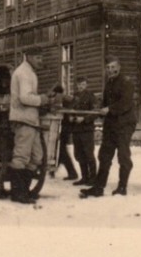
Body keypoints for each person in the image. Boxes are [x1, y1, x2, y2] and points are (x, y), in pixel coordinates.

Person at [80, 56, 136, 198]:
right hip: (111, 124)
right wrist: (100, 110)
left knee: (123, 156)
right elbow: (105, 105)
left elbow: (126, 103)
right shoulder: (109, 83)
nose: (110, 70)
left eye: (113, 67)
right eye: (108, 68)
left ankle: (122, 187)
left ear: (119, 67)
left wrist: (109, 109)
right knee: (104, 156)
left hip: (124, 124)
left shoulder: (126, 82)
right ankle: (98, 188)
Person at [8, 48, 50, 204]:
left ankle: (24, 191)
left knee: (36, 157)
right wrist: (42, 99)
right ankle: (18, 194)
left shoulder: (30, 72)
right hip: (23, 120)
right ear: (29, 57)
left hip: (31, 121)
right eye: (38, 57)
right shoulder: (24, 73)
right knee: (21, 156)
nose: (41, 61)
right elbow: (25, 97)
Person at [69, 76, 97, 185]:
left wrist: (84, 119)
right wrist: (71, 117)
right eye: (79, 84)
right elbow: (71, 109)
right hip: (76, 129)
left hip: (87, 130)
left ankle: (93, 179)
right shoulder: (75, 97)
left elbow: (95, 112)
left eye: (83, 84)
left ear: (86, 85)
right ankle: (84, 178)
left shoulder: (91, 96)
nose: (80, 86)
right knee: (79, 155)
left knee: (89, 154)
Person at [51, 84, 78, 180]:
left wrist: (68, 112)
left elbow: (74, 102)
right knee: (59, 149)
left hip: (65, 127)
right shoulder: (63, 98)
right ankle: (53, 171)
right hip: (64, 127)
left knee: (61, 150)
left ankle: (72, 173)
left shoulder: (64, 98)